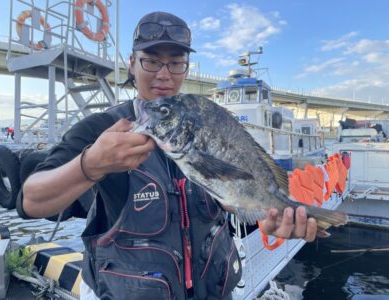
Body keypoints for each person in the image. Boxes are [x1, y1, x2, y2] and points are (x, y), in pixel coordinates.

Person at [19, 11, 318, 300]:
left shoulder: (204, 121)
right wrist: (90, 166)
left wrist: (269, 219)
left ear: (186, 68)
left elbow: (234, 199)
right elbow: (30, 201)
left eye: (175, 63)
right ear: (132, 64)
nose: (164, 75)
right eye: (151, 62)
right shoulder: (102, 129)